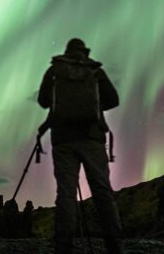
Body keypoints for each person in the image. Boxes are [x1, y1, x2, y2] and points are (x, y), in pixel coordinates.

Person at [38, 38, 125, 254]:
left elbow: (42, 101)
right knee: (102, 192)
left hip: (63, 139)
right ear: (84, 52)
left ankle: (63, 247)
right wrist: (93, 107)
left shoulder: (55, 69)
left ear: (67, 52)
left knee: (66, 194)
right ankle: (115, 248)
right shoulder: (94, 71)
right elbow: (113, 100)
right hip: (92, 137)